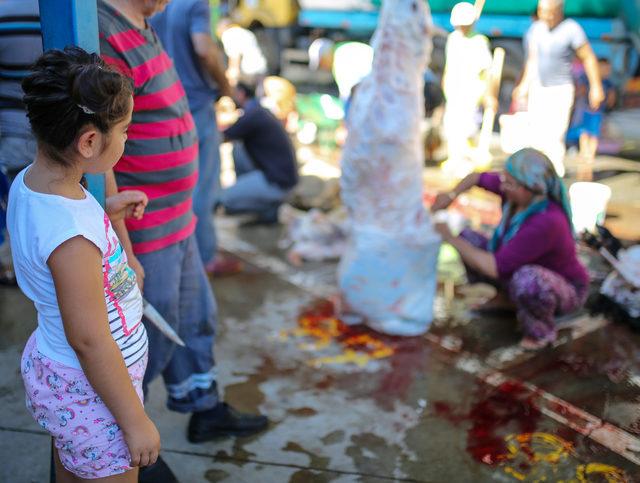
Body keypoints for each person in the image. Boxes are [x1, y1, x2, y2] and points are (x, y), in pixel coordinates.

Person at [97, 0, 268, 473]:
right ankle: (127, 450)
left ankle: (203, 408)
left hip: (178, 218)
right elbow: (100, 149)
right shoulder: (103, 32)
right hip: (146, 226)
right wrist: (124, 246)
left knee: (194, 318)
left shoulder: (143, 22)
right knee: (145, 341)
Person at [9, 46, 158, 481]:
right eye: (125, 129)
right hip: (94, 395)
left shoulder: (32, 183)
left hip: (70, 380)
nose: (127, 138)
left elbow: (53, 235)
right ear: (90, 141)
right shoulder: (72, 238)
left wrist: (107, 212)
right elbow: (91, 340)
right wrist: (134, 421)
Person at [432, 148, 589, 350]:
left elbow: (496, 268)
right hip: (520, 269)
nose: (503, 185)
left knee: (527, 280)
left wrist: (449, 238)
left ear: (530, 188)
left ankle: (541, 331)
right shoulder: (516, 194)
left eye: (509, 183)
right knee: (469, 240)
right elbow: (476, 177)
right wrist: (451, 195)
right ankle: (506, 299)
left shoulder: (547, 221)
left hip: (564, 288)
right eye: (504, 179)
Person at [151, 0, 233, 274]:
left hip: (162, 104)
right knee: (202, 186)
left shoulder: (156, 5)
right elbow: (203, 48)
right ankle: (205, 256)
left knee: (172, 187)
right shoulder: (196, 3)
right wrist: (225, 86)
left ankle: (181, 253)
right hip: (195, 105)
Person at [513, 0, 604, 177]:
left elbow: (588, 58)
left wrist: (596, 86)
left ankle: (554, 177)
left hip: (561, 89)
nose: (544, 15)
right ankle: (536, 175)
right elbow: (532, 61)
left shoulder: (571, 29)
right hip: (539, 87)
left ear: (558, 11)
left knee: (554, 136)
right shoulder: (536, 29)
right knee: (536, 134)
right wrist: (524, 85)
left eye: (548, 12)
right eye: (541, 11)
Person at [0, 0, 43, 285]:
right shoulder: (54, 10)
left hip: (8, 125)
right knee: (38, 205)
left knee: (12, 204)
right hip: (47, 127)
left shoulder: (3, 11)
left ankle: (12, 268)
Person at [220, 82, 298, 224]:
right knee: (237, 148)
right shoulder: (258, 110)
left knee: (224, 200)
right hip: (281, 179)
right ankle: (267, 204)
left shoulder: (253, 114)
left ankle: (269, 209)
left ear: (241, 93)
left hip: (277, 182)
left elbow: (223, 136)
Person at [441, 1, 494, 177]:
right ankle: (454, 159)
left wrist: (488, 93)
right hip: (453, 90)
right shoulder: (453, 39)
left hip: (471, 92)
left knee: (467, 127)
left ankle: (466, 162)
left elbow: (487, 71)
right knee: (451, 126)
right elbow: (449, 66)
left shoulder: (479, 41)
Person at [576, 58, 616, 169]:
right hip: (586, 110)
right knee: (584, 132)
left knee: (594, 134)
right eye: (603, 69)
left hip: (598, 112)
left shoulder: (607, 82)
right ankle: (584, 152)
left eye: (607, 69)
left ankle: (590, 154)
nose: (606, 71)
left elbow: (612, 95)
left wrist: (610, 102)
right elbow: (581, 88)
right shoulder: (587, 79)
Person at [216, 18, 267, 86]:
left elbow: (234, 60)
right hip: (261, 68)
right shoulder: (243, 31)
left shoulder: (228, 34)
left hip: (249, 71)